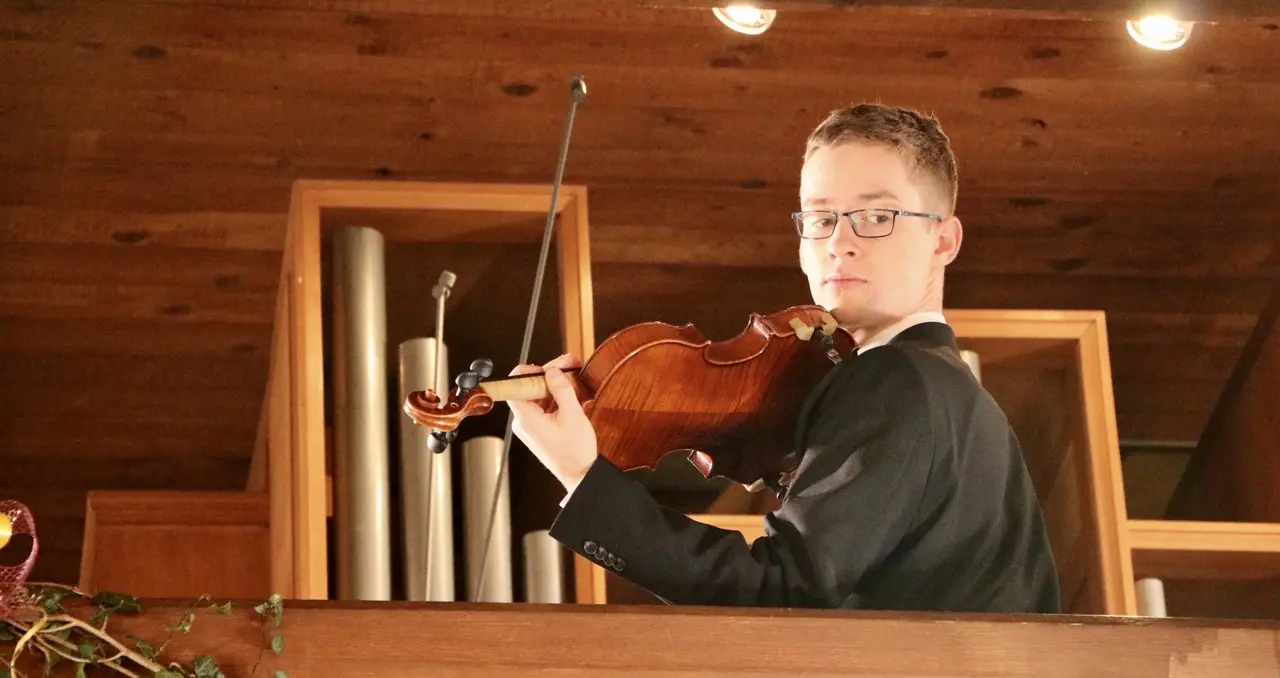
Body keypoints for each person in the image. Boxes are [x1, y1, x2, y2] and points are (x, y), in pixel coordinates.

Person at [506, 102, 1062, 613]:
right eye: (820, 219)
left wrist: (581, 472)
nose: (838, 243)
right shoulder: (951, 392)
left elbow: (783, 592)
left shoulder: (897, 379)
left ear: (944, 240)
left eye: (876, 216)